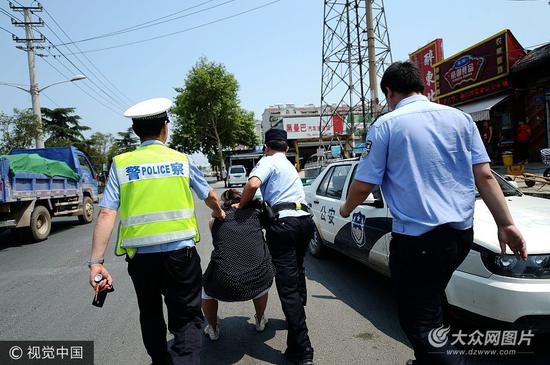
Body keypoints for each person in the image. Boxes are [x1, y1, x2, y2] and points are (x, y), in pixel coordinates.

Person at [339, 62, 527, 365]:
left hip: (418, 241)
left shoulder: (386, 124)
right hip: (460, 236)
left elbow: (363, 185)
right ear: (421, 88)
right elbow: (485, 176)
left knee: (419, 324)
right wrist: (506, 224)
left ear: (389, 91)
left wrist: (346, 208)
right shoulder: (462, 119)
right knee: (432, 301)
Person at [87, 97, 225, 365]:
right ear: (165, 127)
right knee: (186, 319)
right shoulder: (180, 160)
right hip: (181, 257)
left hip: (142, 260)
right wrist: (219, 213)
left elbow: (106, 213)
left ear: (136, 132)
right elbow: (209, 195)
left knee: (149, 313)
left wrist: (96, 263)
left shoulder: (122, 164)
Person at [238, 129, 315, 365]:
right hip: (304, 222)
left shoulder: (268, 160)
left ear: (266, 147)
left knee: (288, 287)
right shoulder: (289, 164)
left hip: (284, 225)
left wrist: (241, 207)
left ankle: (303, 350)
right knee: (297, 274)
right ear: (287, 148)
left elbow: (252, 184)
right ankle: (295, 339)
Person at [201, 189, 275, 340]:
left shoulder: (214, 221)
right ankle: (260, 320)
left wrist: (217, 212)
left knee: (205, 292)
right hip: (258, 277)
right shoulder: (255, 215)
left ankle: (213, 329)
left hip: (224, 281)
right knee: (262, 280)